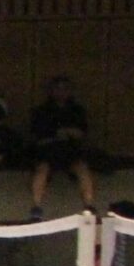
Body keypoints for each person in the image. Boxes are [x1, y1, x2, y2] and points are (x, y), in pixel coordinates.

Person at [28, 76, 98, 220]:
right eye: (57, 88)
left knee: (82, 169)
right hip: (48, 150)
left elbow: (82, 132)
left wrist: (71, 133)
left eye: (65, 88)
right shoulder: (41, 111)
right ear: (51, 91)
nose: (61, 92)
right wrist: (56, 134)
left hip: (71, 150)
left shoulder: (77, 110)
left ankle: (89, 206)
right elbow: (37, 135)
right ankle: (36, 207)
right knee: (42, 170)